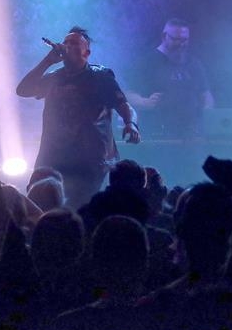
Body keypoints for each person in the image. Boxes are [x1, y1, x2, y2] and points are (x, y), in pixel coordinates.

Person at [16, 27, 139, 208]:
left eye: (74, 43)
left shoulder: (100, 76)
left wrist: (131, 123)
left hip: (90, 159)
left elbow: (123, 105)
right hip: (53, 156)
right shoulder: (54, 78)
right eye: (65, 42)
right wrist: (48, 61)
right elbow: (23, 90)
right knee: (38, 204)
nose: (67, 46)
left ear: (86, 53)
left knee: (82, 207)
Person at [126, 18, 213, 139]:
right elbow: (128, 95)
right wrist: (145, 102)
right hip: (156, 135)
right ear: (164, 36)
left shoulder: (194, 63)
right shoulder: (146, 62)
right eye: (176, 39)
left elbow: (206, 94)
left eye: (185, 40)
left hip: (191, 136)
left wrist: (207, 115)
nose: (181, 44)